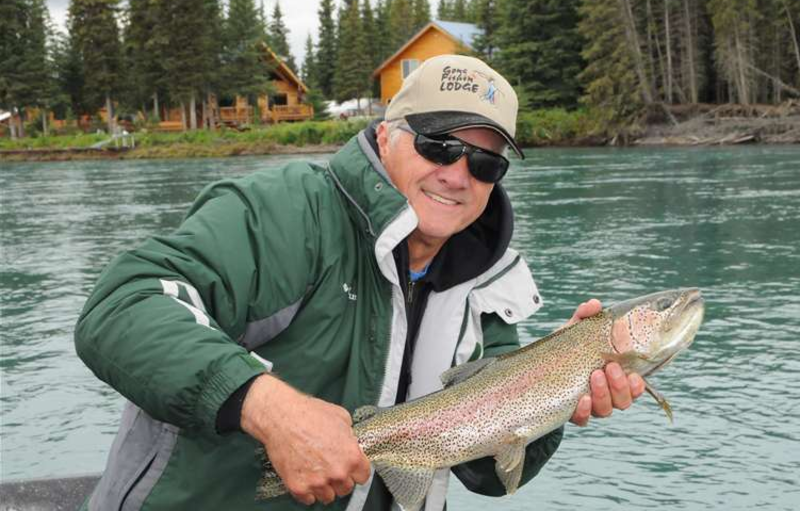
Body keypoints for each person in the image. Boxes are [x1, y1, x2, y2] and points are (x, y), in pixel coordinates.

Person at [75, 55, 644, 511]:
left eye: (485, 163)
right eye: (438, 144)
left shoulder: (485, 285)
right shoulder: (286, 213)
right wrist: (264, 405)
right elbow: (123, 305)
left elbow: (488, 476)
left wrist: (555, 393)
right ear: (387, 135)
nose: (457, 173)